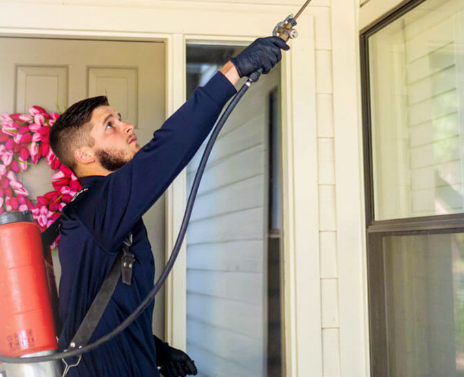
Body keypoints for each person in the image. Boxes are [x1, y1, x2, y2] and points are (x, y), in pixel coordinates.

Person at [49, 36, 289, 377]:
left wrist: (157, 349)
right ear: (84, 155)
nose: (126, 125)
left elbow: (104, 310)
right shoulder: (95, 210)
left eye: (119, 118)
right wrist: (233, 71)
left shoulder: (106, 215)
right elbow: (166, 149)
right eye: (110, 125)